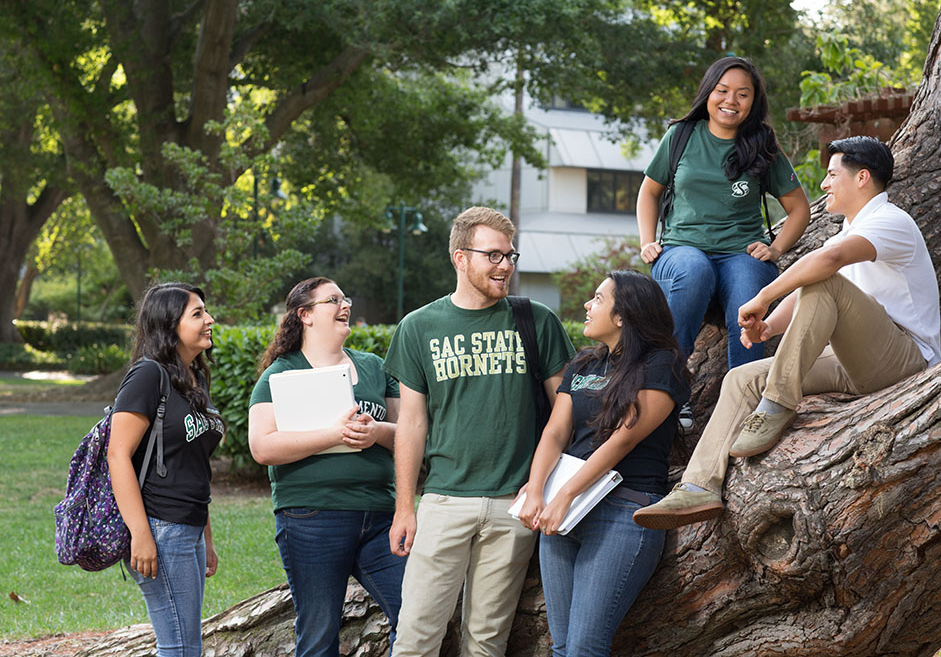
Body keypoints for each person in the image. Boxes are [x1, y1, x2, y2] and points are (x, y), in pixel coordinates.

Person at [633, 136, 941, 530]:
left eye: (832, 175)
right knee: (742, 378)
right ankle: (698, 486)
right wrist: (767, 326)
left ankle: (778, 401)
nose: (824, 184)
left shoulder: (891, 221)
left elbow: (826, 266)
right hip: (856, 362)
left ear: (862, 177)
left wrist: (763, 295)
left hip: (906, 360)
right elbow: (807, 288)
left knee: (825, 280)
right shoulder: (847, 232)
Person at [383, 206, 576, 656]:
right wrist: (404, 507)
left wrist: (542, 485)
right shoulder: (419, 327)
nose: (505, 266)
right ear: (460, 258)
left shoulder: (536, 320)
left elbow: (566, 412)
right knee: (415, 638)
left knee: (487, 643)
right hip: (445, 500)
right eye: (493, 256)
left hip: (516, 504)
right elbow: (411, 424)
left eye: (510, 256)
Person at [517, 270, 689, 656]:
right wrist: (537, 490)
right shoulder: (583, 365)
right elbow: (554, 432)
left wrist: (564, 495)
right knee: (562, 647)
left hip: (622, 512)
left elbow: (625, 437)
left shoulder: (663, 364)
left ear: (623, 316)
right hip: (564, 511)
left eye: (597, 298)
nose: (586, 305)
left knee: (584, 648)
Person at [636, 56, 811, 427]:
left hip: (740, 252)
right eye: (723, 91)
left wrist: (776, 247)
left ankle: (745, 408)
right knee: (694, 269)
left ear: (753, 102)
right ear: (709, 93)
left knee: (749, 294)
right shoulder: (681, 136)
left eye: (743, 94)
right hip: (681, 249)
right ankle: (669, 392)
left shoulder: (762, 145)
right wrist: (646, 241)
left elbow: (798, 208)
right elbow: (649, 192)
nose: (731, 101)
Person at [247, 277, 405, 656]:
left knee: (416, 614)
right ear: (305, 315)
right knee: (319, 634)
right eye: (332, 300)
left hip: (381, 516)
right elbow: (262, 446)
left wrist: (376, 432)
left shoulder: (374, 367)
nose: (344, 305)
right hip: (312, 518)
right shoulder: (280, 375)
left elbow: (408, 435)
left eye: (345, 298)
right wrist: (333, 434)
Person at [108, 283, 225, 657]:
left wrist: (205, 538)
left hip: (187, 526)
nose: (210, 320)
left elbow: (193, 465)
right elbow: (118, 454)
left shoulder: (194, 379)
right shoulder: (147, 376)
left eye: (206, 311)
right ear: (169, 325)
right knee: (179, 648)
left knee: (186, 647)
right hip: (160, 527)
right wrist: (140, 533)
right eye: (198, 314)